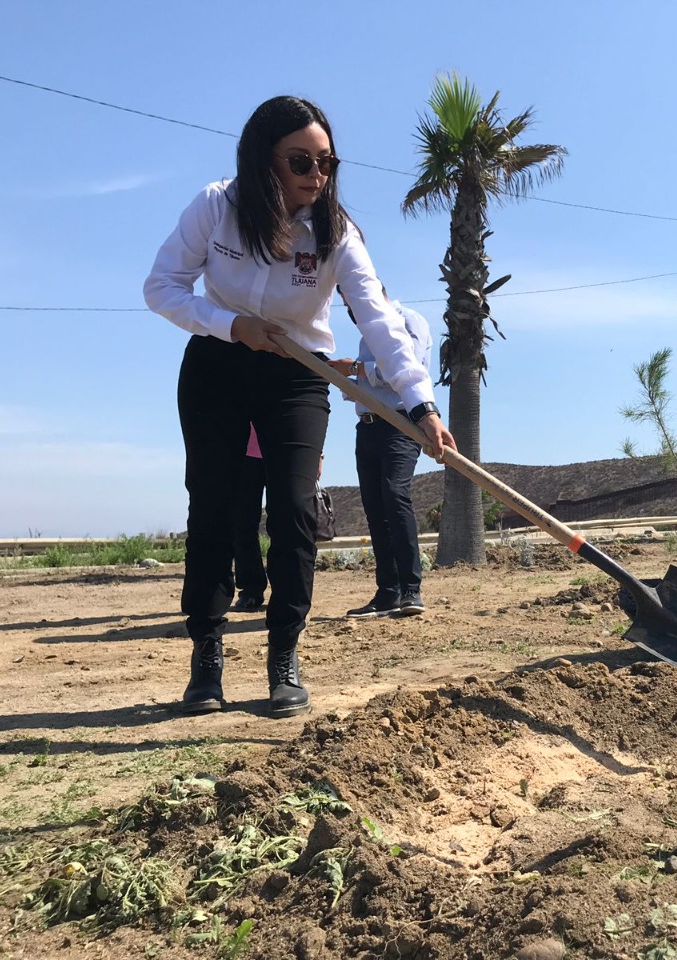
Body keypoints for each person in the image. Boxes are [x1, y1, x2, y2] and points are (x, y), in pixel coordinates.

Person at [144, 96, 456, 717]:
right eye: (301, 161)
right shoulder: (216, 207)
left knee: (293, 508)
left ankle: (283, 654)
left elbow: (381, 321)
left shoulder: (337, 234)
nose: (317, 174)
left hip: (298, 375)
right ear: (264, 161)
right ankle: (206, 656)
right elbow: (162, 288)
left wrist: (422, 405)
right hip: (217, 365)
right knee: (214, 504)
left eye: (327, 162)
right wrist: (231, 325)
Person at [328, 299, 431, 619]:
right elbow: (366, 384)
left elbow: (407, 367)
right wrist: (344, 376)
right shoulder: (367, 335)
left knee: (394, 495)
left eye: (353, 304)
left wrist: (355, 369)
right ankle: (388, 591)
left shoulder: (410, 320)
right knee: (375, 508)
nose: (351, 313)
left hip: (402, 425)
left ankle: (411, 589)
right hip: (368, 428)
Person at [230, 423, 267, 612]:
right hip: (242, 451)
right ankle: (251, 589)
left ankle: (287, 589)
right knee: (242, 523)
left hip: (284, 445)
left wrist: (319, 454)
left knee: (286, 521)